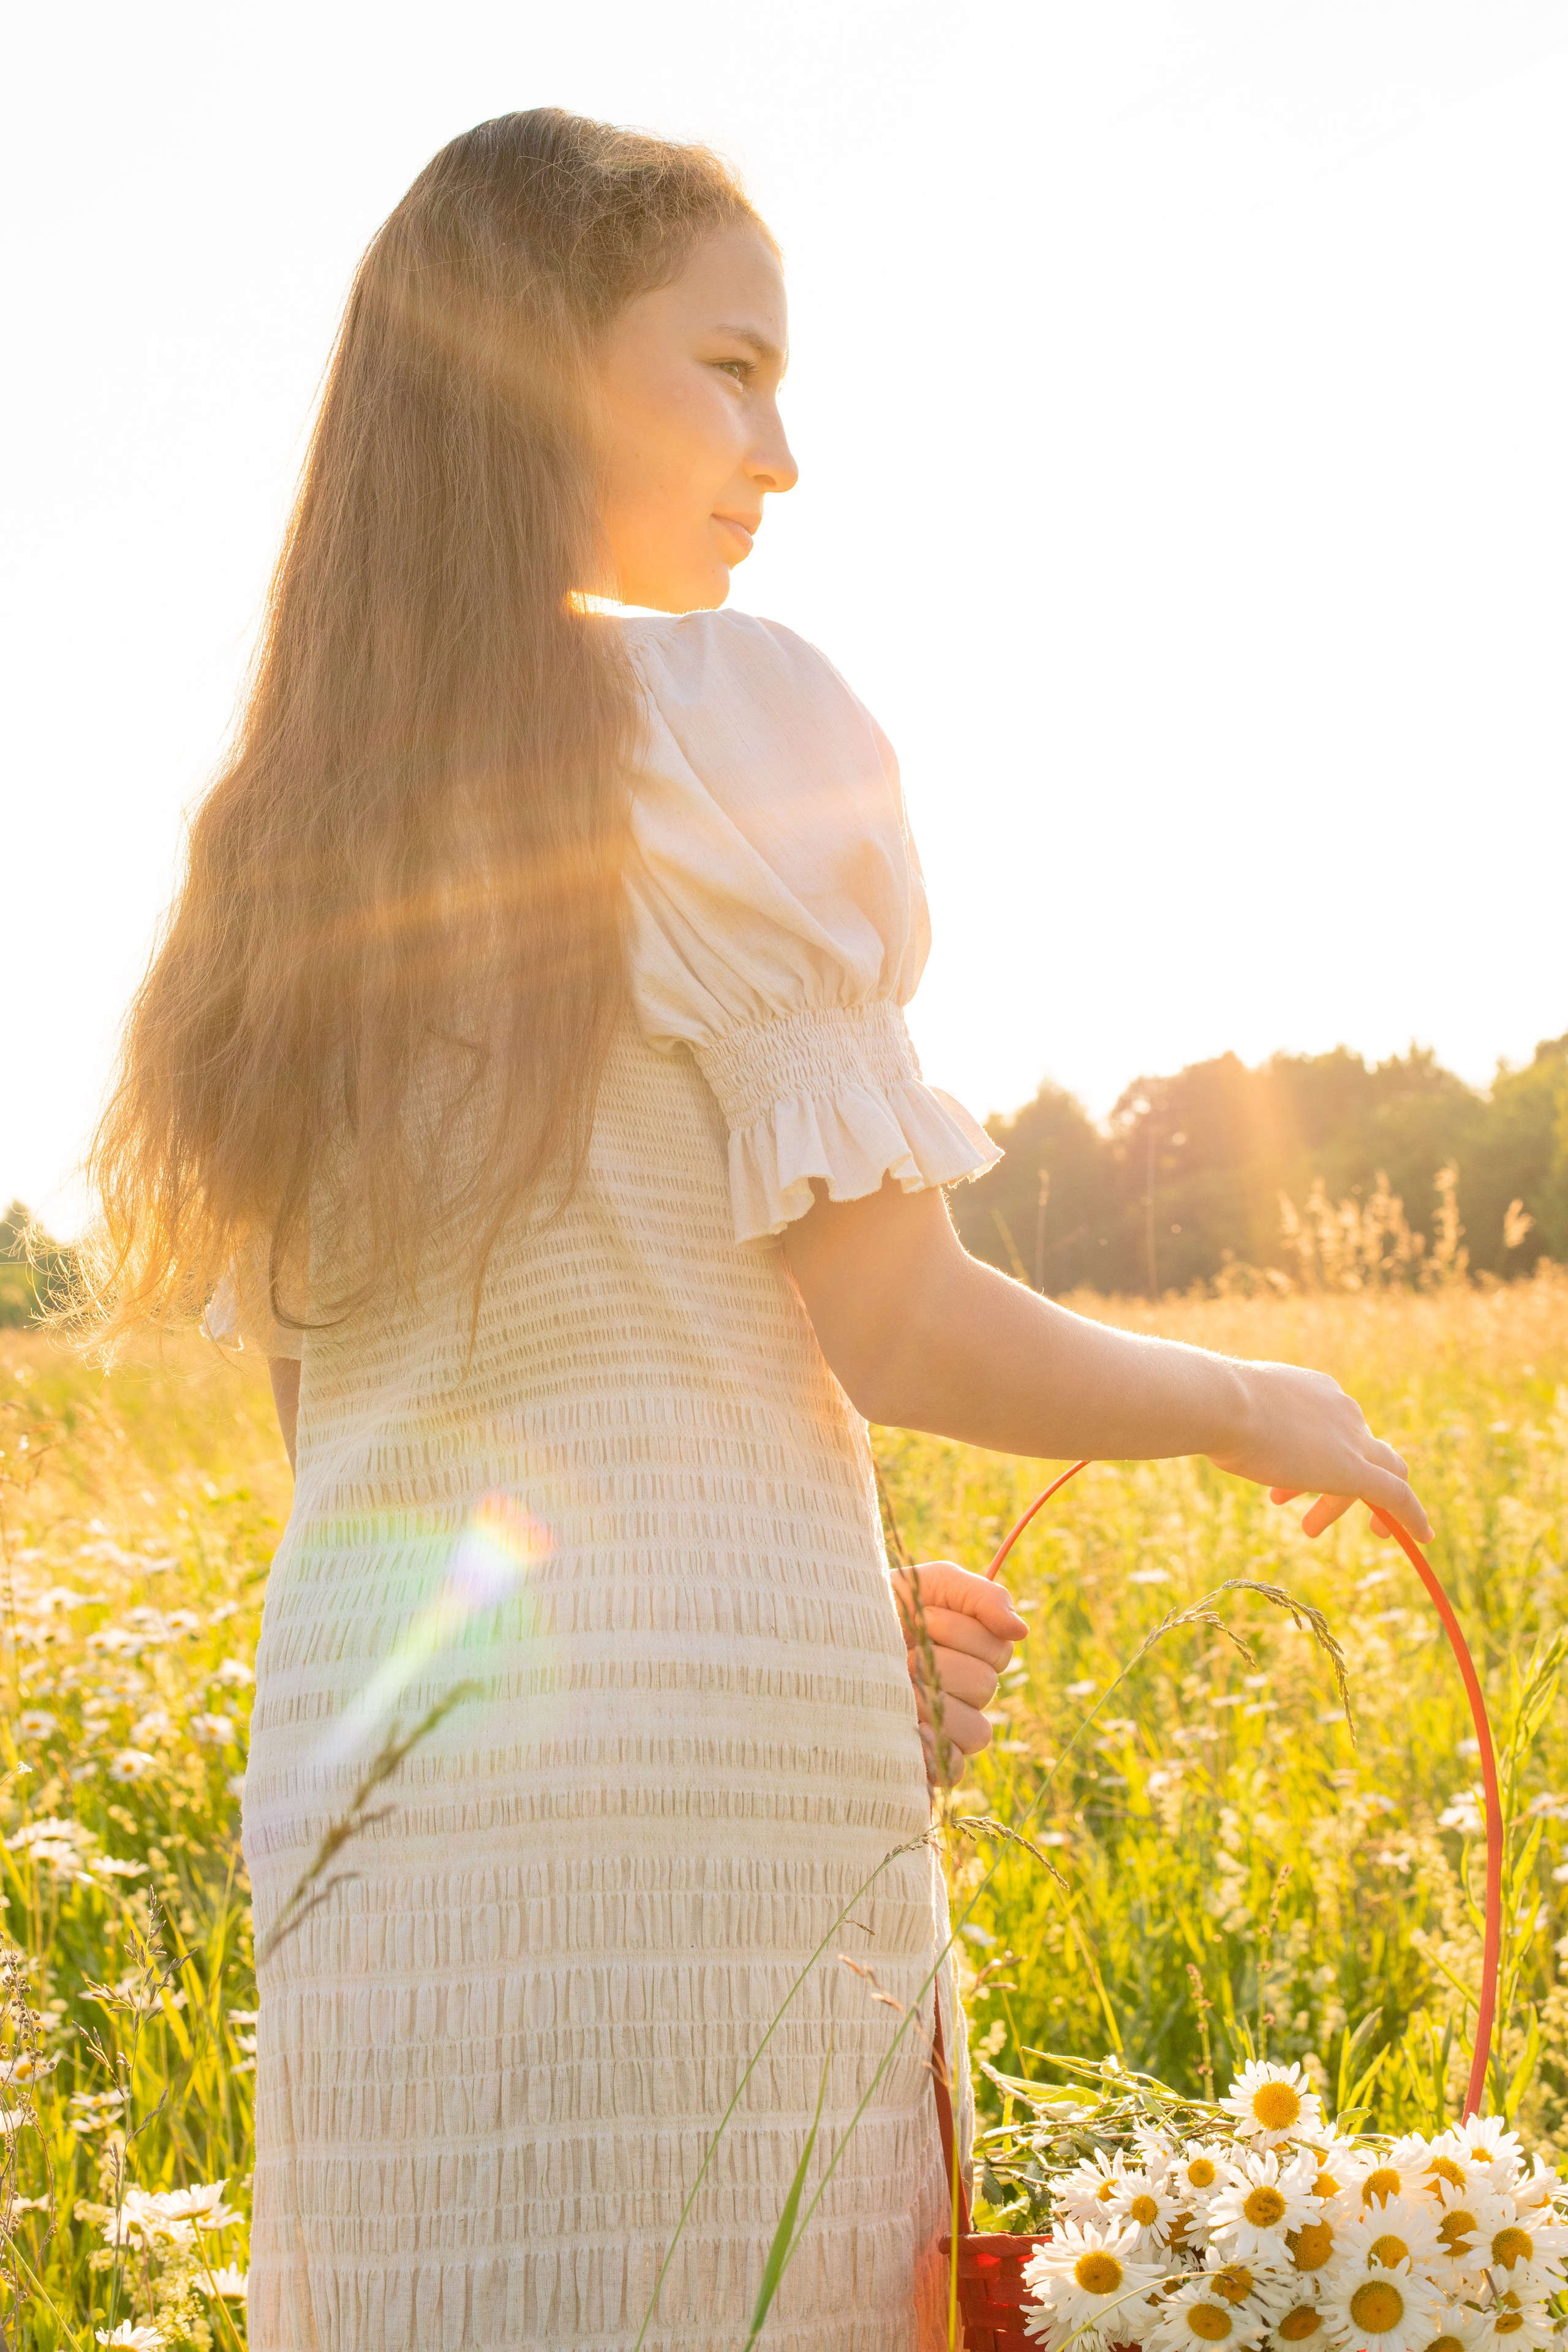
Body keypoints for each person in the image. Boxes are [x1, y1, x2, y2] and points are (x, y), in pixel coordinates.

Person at [83, 108, 1430, 2352]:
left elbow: (370, 1430)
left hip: (370, 1791)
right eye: (728, 367)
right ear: (532, 372)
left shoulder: (272, 839)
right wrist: (1251, 1397)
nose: (778, 450)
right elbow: (895, 1323)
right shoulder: (735, 720)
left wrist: (811, 1608)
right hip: (695, 1804)